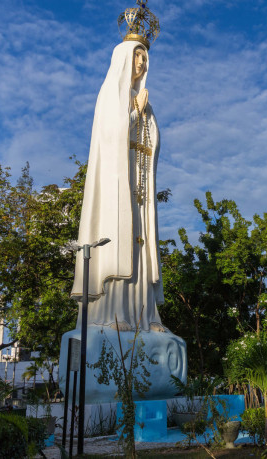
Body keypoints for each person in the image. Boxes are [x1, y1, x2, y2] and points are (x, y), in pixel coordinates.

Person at [70, 40, 167, 333]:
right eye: (137, 55)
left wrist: (145, 115)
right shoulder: (111, 94)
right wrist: (135, 113)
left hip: (139, 191)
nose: (142, 62)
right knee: (117, 245)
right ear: (124, 58)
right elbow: (111, 138)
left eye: (145, 57)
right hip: (116, 190)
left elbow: (149, 145)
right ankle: (112, 314)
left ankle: (146, 317)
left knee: (141, 249)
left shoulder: (142, 100)